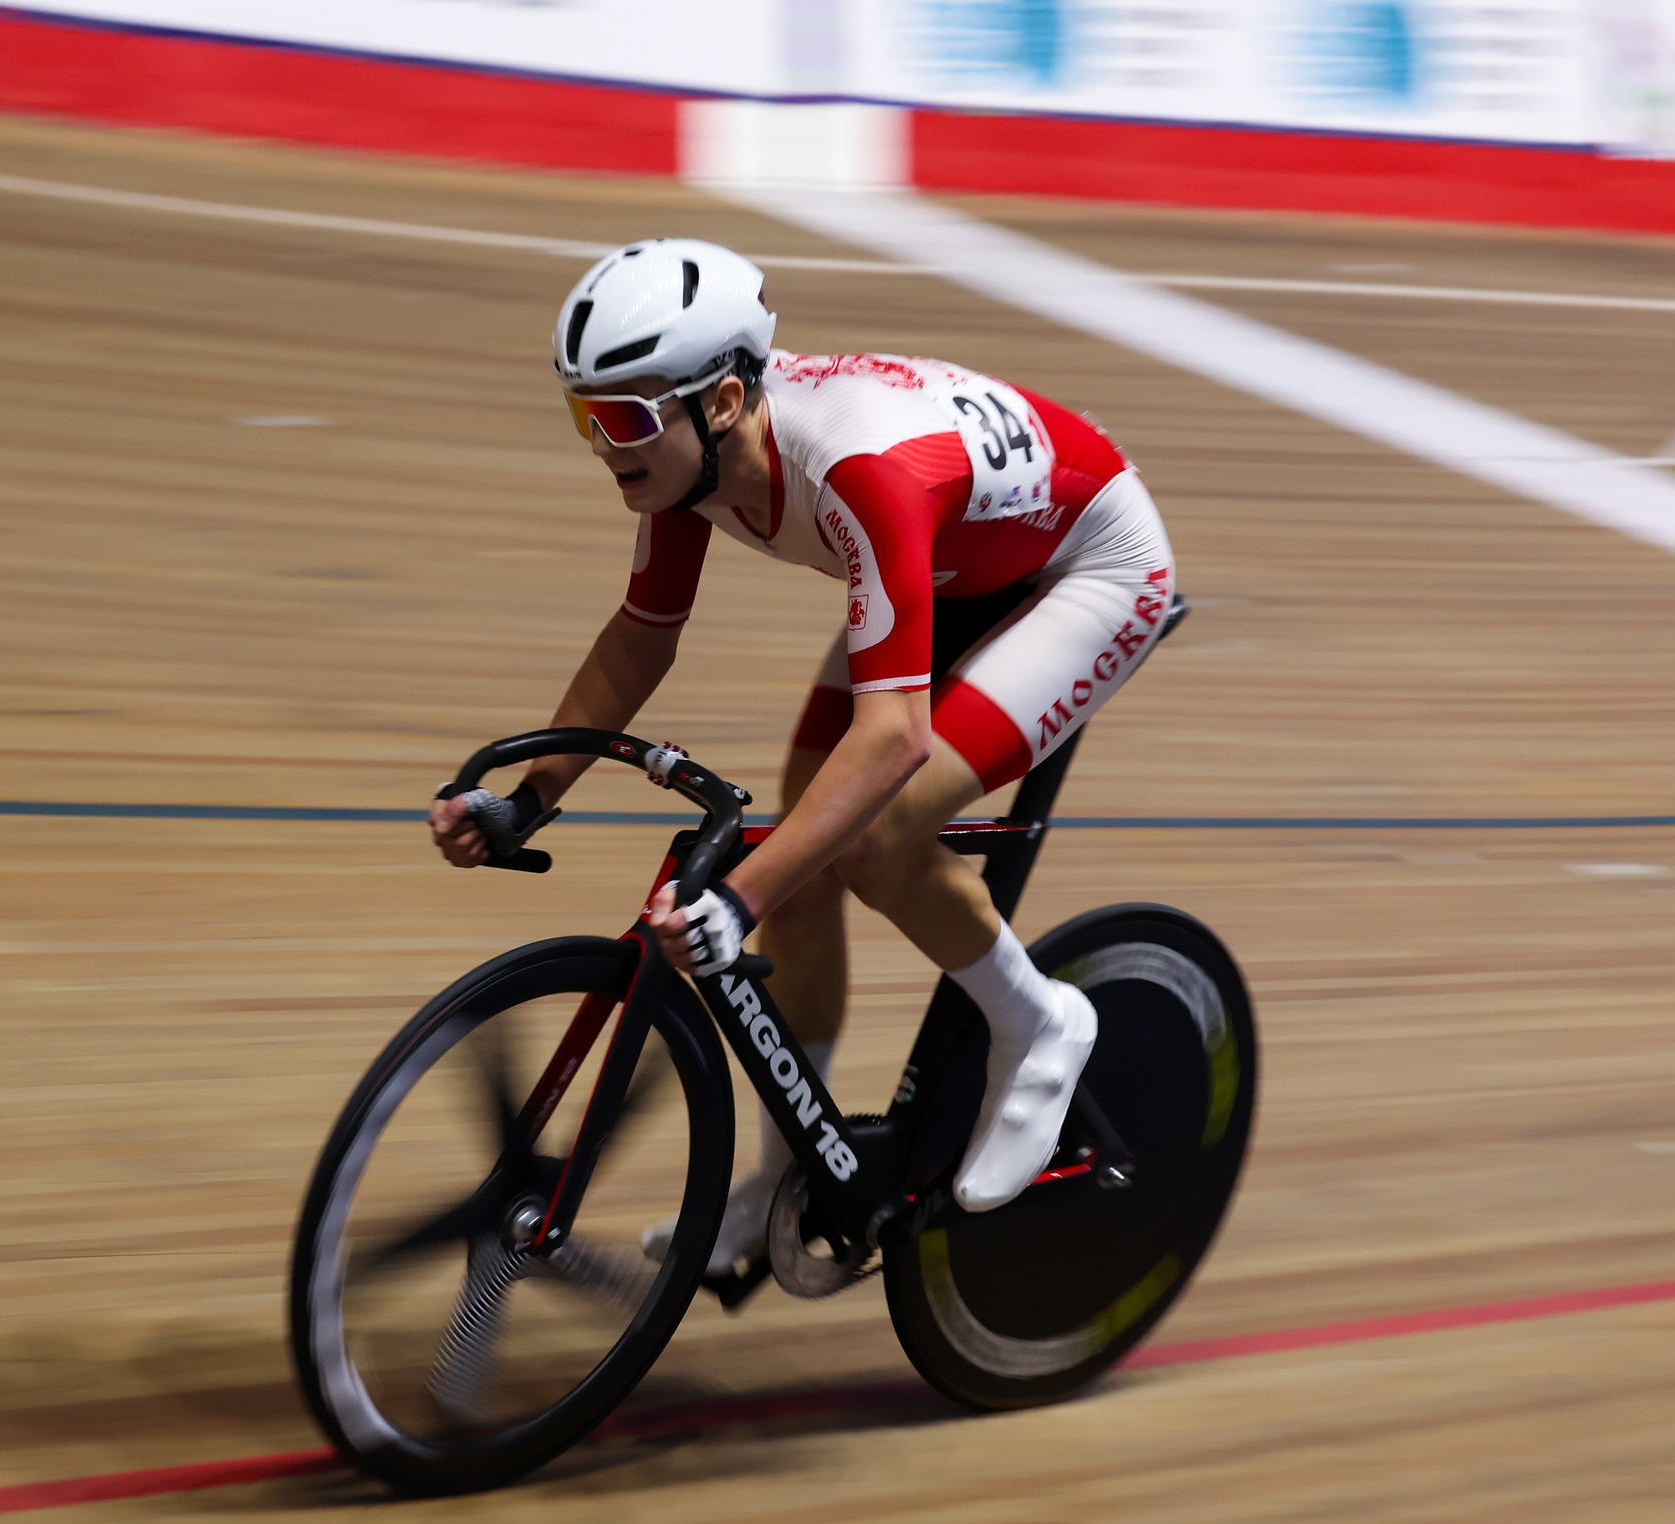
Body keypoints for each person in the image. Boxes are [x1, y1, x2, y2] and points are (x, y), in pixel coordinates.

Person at [429, 238, 1176, 1276]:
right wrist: (528, 801)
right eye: (583, 417)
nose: (604, 446)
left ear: (724, 400)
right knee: (805, 835)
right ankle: (792, 1170)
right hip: (961, 559)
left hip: (1086, 564)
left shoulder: (856, 469)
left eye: (624, 418)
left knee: (874, 837)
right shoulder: (689, 463)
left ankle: (1041, 1021)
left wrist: (735, 903)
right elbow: (644, 632)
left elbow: (894, 740)